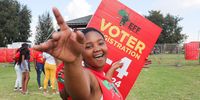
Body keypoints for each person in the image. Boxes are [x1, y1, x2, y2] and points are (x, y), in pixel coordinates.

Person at [33, 7, 124, 100]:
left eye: (100, 43)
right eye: (88, 46)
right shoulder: (87, 76)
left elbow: (105, 85)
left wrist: (112, 69)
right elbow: (80, 92)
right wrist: (73, 61)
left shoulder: (101, 77)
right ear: (81, 54)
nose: (97, 49)